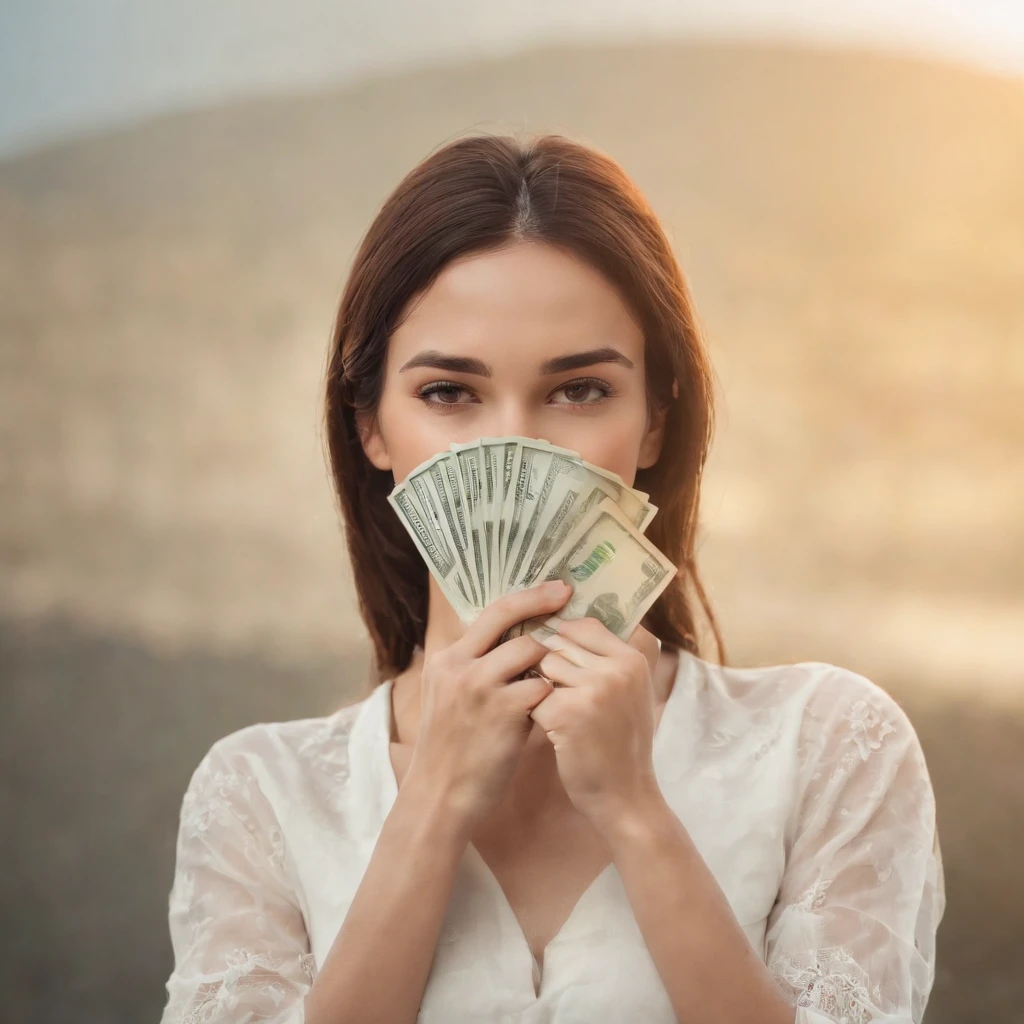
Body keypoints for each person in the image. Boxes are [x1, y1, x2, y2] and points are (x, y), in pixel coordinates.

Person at [159, 131, 945, 1024]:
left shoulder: (828, 747)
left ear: (655, 421)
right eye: (449, 393)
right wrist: (435, 804)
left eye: (579, 390)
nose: (516, 448)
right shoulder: (260, 795)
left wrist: (636, 812)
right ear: (371, 427)